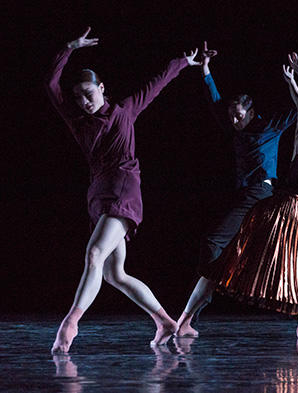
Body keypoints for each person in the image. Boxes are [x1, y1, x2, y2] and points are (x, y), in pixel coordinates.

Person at [176, 42, 298, 337]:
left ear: (251, 112)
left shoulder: (270, 126)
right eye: (231, 115)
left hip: (263, 195)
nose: (234, 120)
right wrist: (205, 69)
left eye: (239, 115)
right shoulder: (234, 127)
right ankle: (195, 307)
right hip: (260, 200)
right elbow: (214, 100)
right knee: (220, 252)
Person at [45, 27, 201, 353]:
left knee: (94, 254)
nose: (84, 101)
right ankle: (166, 322)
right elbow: (51, 85)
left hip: (124, 190)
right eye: (79, 97)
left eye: (89, 93)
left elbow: (157, 83)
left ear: (102, 88)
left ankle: (69, 325)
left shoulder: (123, 111)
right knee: (116, 274)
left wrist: (185, 61)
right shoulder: (79, 122)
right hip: (99, 195)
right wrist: (70, 47)